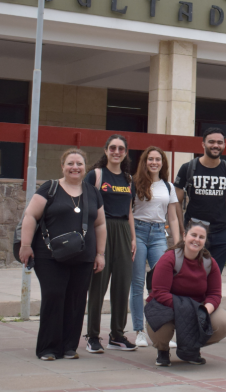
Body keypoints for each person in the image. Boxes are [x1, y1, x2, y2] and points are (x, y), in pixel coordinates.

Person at [18, 149, 105, 361]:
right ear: (62, 166)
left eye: (79, 163)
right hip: (50, 255)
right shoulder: (50, 188)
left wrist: (100, 253)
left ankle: (68, 347)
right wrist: (25, 244)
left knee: (76, 300)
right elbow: (30, 215)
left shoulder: (93, 192)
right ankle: (48, 348)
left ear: (85, 167)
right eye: (70, 163)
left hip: (83, 256)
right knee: (54, 296)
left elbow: (100, 224)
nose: (75, 167)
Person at [146, 222, 226, 366]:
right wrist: (186, 309)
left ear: (205, 241)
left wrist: (204, 310)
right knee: (162, 327)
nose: (196, 240)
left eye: (201, 237)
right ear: (184, 236)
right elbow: (160, 293)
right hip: (167, 306)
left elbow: (215, 294)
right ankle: (162, 349)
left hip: (196, 307)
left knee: (224, 323)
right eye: (193, 235)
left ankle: (191, 348)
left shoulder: (210, 263)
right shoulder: (169, 258)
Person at [85, 134, 136, 353]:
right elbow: (87, 208)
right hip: (101, 230)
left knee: (122, 285)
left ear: (125, 153)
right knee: (98, 285)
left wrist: (133, 238)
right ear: (105, 150)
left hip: (124, 231)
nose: (116, 152)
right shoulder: (95, 175)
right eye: (112, 148)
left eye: (121, 149)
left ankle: (117, 335)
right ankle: (93, 336)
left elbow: (130, 211)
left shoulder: (128, 179)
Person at [130, 146, 181, 348]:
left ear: (162, 163)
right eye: (150, 159)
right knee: (137, 284)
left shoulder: (168, 186)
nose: (154, 162)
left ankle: (162, 331)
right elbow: (129, 213)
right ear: (144, 161)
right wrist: (132, 238)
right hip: (138, 232)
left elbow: (173, 217)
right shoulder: (134, 183)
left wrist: (177, 244)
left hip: (159, 235)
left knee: (163, 284)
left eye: (157, 159)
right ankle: (139, 331)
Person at [174, 127, 226, 271]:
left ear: (224, 145)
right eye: (211, 142)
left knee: (214, 276)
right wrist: (181, 228)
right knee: (191, 274)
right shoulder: (188, 168)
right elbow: (176, 201)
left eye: (219, 142)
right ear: (203, 144)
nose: (215, 145)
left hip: (220, 234)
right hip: (194, 231)